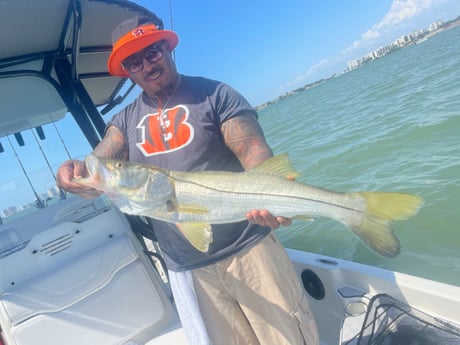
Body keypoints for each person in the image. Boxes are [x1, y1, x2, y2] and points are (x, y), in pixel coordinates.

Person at [57, 15, 319, 345]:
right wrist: (79, 172)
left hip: (249, 249)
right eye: (134, 61)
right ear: (127, 69)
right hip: (189, 268)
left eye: (152, 52)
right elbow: (103, 159)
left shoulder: (215, 93)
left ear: (167, 48)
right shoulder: (123, 121)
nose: (146, 65)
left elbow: (253, 150)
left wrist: (273, 197)